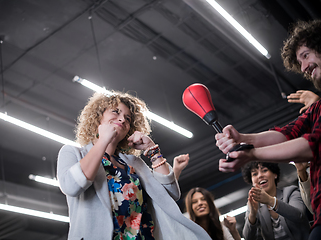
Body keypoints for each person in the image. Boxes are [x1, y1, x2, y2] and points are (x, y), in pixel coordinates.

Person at [215, 20, 321, 239]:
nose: (303, 68)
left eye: (305, 55)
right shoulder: (317, 108)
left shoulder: (289, 193)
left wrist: (251, 153)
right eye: (299, 62)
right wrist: (243, 137)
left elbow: (313, 145)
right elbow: (286, 133)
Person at [57, 91, 211, 240]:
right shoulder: (73, 153)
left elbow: (170, 195)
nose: (122, 119)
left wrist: (153, 151)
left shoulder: (133, 163)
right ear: (98, 117)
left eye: (128, 118)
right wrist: (103, 140)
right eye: (115, 112)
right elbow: (72, 186)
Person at [241, 162, 309, 240]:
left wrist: (270, 201)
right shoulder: (254, 204)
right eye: (255, 174)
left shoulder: (291, 192)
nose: (260, 175)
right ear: (252, 181)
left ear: (275, 174)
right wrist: (252, 214)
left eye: (264, 170)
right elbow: (247, 237)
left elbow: (300, 216)